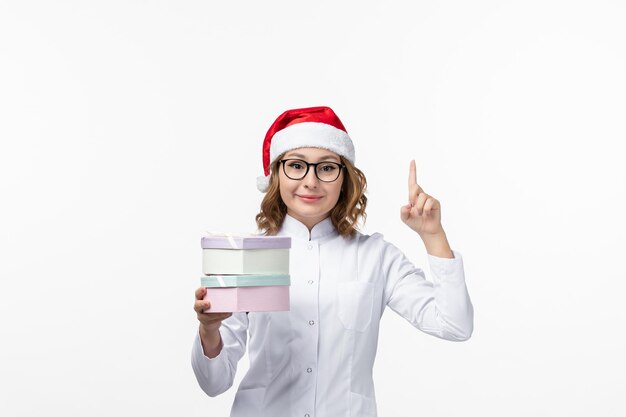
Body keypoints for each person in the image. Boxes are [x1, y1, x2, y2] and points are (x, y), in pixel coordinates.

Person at [192, 106, 473, 417]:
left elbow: (454, 325)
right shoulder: (248, 256)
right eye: (296, 166)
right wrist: (209, 329)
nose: (311, 181)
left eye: (326, 168)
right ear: (275, 176)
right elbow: (213, 382)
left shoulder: (376, 257)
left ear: (345, 179)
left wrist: (433, 235)